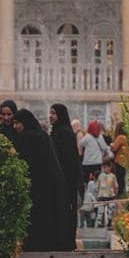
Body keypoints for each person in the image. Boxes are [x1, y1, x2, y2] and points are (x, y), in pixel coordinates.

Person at [13, 109, 69, 251]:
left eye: (18, 123)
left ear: (25, 123)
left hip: (36, 187)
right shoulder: (42, 136)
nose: (15, 126)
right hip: (49, 187)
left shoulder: (26, 138)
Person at [49, 104, 81, 250]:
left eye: (54, 113)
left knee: (65, 212)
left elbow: (68, 159)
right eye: (50, 113)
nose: (50, 116)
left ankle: (65, 243)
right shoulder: (57, 131)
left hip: (66, 180)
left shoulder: (64, 132)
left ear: (60, 115)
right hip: (60, 180)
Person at [79, 121, 111, 186]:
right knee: (97, 179)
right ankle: (97, 190)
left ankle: (88, 190)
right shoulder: (100, 137)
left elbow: (81, 143)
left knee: (86, 180)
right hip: (97, 162)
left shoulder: (87, 136)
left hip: (87, 162)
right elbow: (104, 148)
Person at [95, 160, 118, 227]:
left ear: (110, 167)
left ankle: (109, 222)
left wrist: (115, 195)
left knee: (111, 210)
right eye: (103, 167)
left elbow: (116, 186)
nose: (104, 169)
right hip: (101, 196)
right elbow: (97, 186)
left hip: (110, 196)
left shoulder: (113, 176)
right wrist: (96, 195)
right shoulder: (100, 176)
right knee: (100, 210)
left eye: (106, 167)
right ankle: (99, 223)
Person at [110, 122, 129, 197]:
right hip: (126, 161)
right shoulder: (127, 138)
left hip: (119, 161)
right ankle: (124, 194)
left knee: (119, 180)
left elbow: (114, 148)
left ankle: (120, 195)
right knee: (124, 179)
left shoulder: (120, 137)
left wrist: (111, 144)